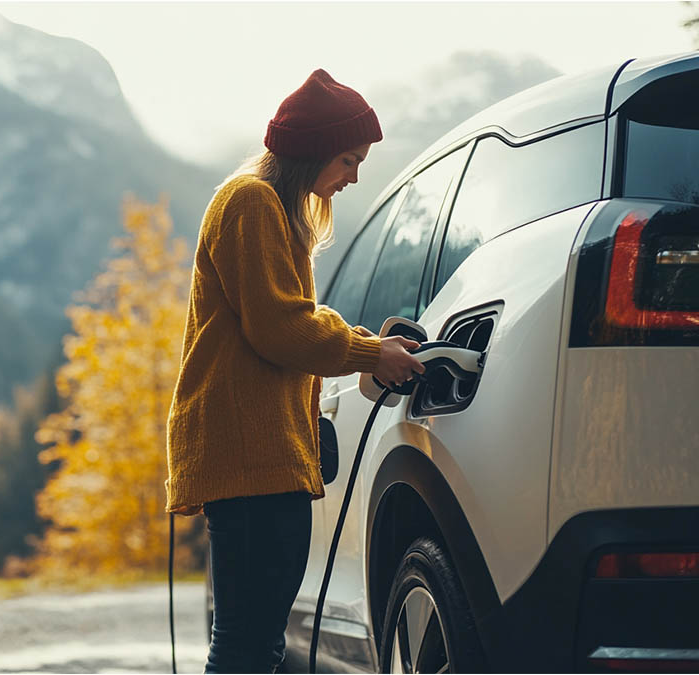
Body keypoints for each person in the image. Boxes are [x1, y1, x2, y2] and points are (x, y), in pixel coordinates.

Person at [164, 69, 425, 674]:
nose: (355, 175)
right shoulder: (251, 201)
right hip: (250, 458)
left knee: (254, 643)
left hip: (261, 456)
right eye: (348, 158)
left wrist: (365, 344)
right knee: (247, 646)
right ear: (312, 150)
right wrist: (369, 353)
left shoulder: (268, 209)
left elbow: (288, 317)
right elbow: (280, 327)